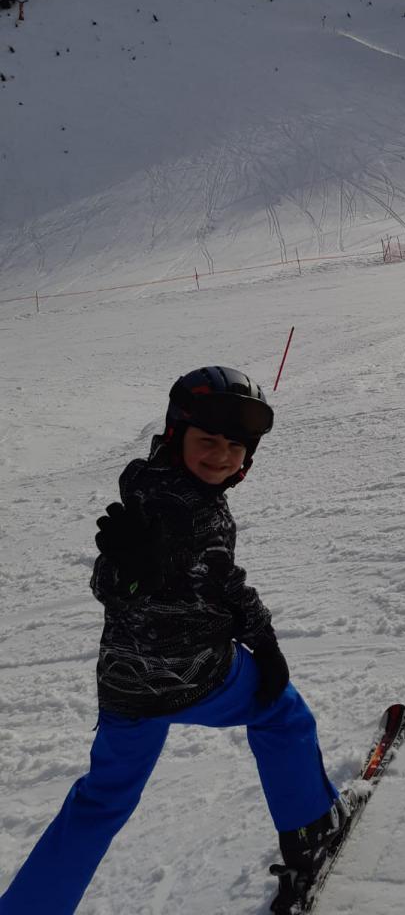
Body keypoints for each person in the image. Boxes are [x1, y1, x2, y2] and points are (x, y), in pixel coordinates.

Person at [0, 366, 351, 915]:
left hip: (126, 686)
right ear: (176, 434)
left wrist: (129, 575)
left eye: (235, 446)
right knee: (282, 714)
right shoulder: (192, 512)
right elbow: (204, 584)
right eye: (207, 441)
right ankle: (311, 831)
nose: (221, 457)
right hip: (199, 675)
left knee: (102, 800)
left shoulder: (148, 486)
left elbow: (122, 586)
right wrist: (264, 642)